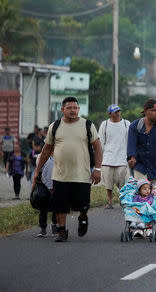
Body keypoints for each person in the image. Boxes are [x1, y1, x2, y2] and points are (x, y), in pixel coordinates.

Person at [32, 97, 103, 242]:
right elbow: (46, 151)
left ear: (78, 109)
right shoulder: (55, 126)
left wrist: (98, 169)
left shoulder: (87, 125)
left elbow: (97, 147)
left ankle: (83, 217)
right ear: (62, 109)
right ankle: (62, 231)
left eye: (75, 108)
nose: (73, 110)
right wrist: (37, 171)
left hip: (82, 174)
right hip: (60, 175)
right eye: (69, 108)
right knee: (60, 205)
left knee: (83, 204)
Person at [127, 99, 156, 188]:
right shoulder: (135, 126)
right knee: (143, 194)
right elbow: (131, 145)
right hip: (141, 167)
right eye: (153, 110)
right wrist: (132, 158)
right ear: (146, 112)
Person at [98, 104, 130, 209]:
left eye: (118, 111)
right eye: (115, 112)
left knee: (122, 180)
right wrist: (99, 158)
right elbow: (101, 142)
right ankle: (110, 201)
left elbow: (130, 140)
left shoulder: (126, 124)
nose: (117, 114)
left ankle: (122, 198)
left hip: (122, 158)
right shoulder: (105, 124)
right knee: (108, 182)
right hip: (107, 158)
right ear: (109, 114)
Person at [36, 153, 58, 237]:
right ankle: (43, 228)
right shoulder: (41, 156)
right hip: (44, 186)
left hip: (56, 185)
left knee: (56, 208)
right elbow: (38, 170)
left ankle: (54, 225)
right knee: (43, 209)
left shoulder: (60, 155)